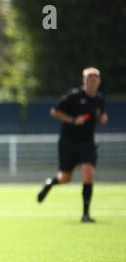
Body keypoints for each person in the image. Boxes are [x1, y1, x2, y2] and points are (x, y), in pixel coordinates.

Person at [37, 67, 108, 223]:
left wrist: (103, 119)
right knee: (65, 178)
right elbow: (54, 111)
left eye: (95, 78)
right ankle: (50, 184)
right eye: (89, 78)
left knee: (88, 171)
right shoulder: (74, 96)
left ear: (99, 81)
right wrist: (73, 120)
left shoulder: (100, 99)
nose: (92, 81)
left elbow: (101, 115)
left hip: (87, 143)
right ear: (83, 81)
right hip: (68, 142)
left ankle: (85, 214)